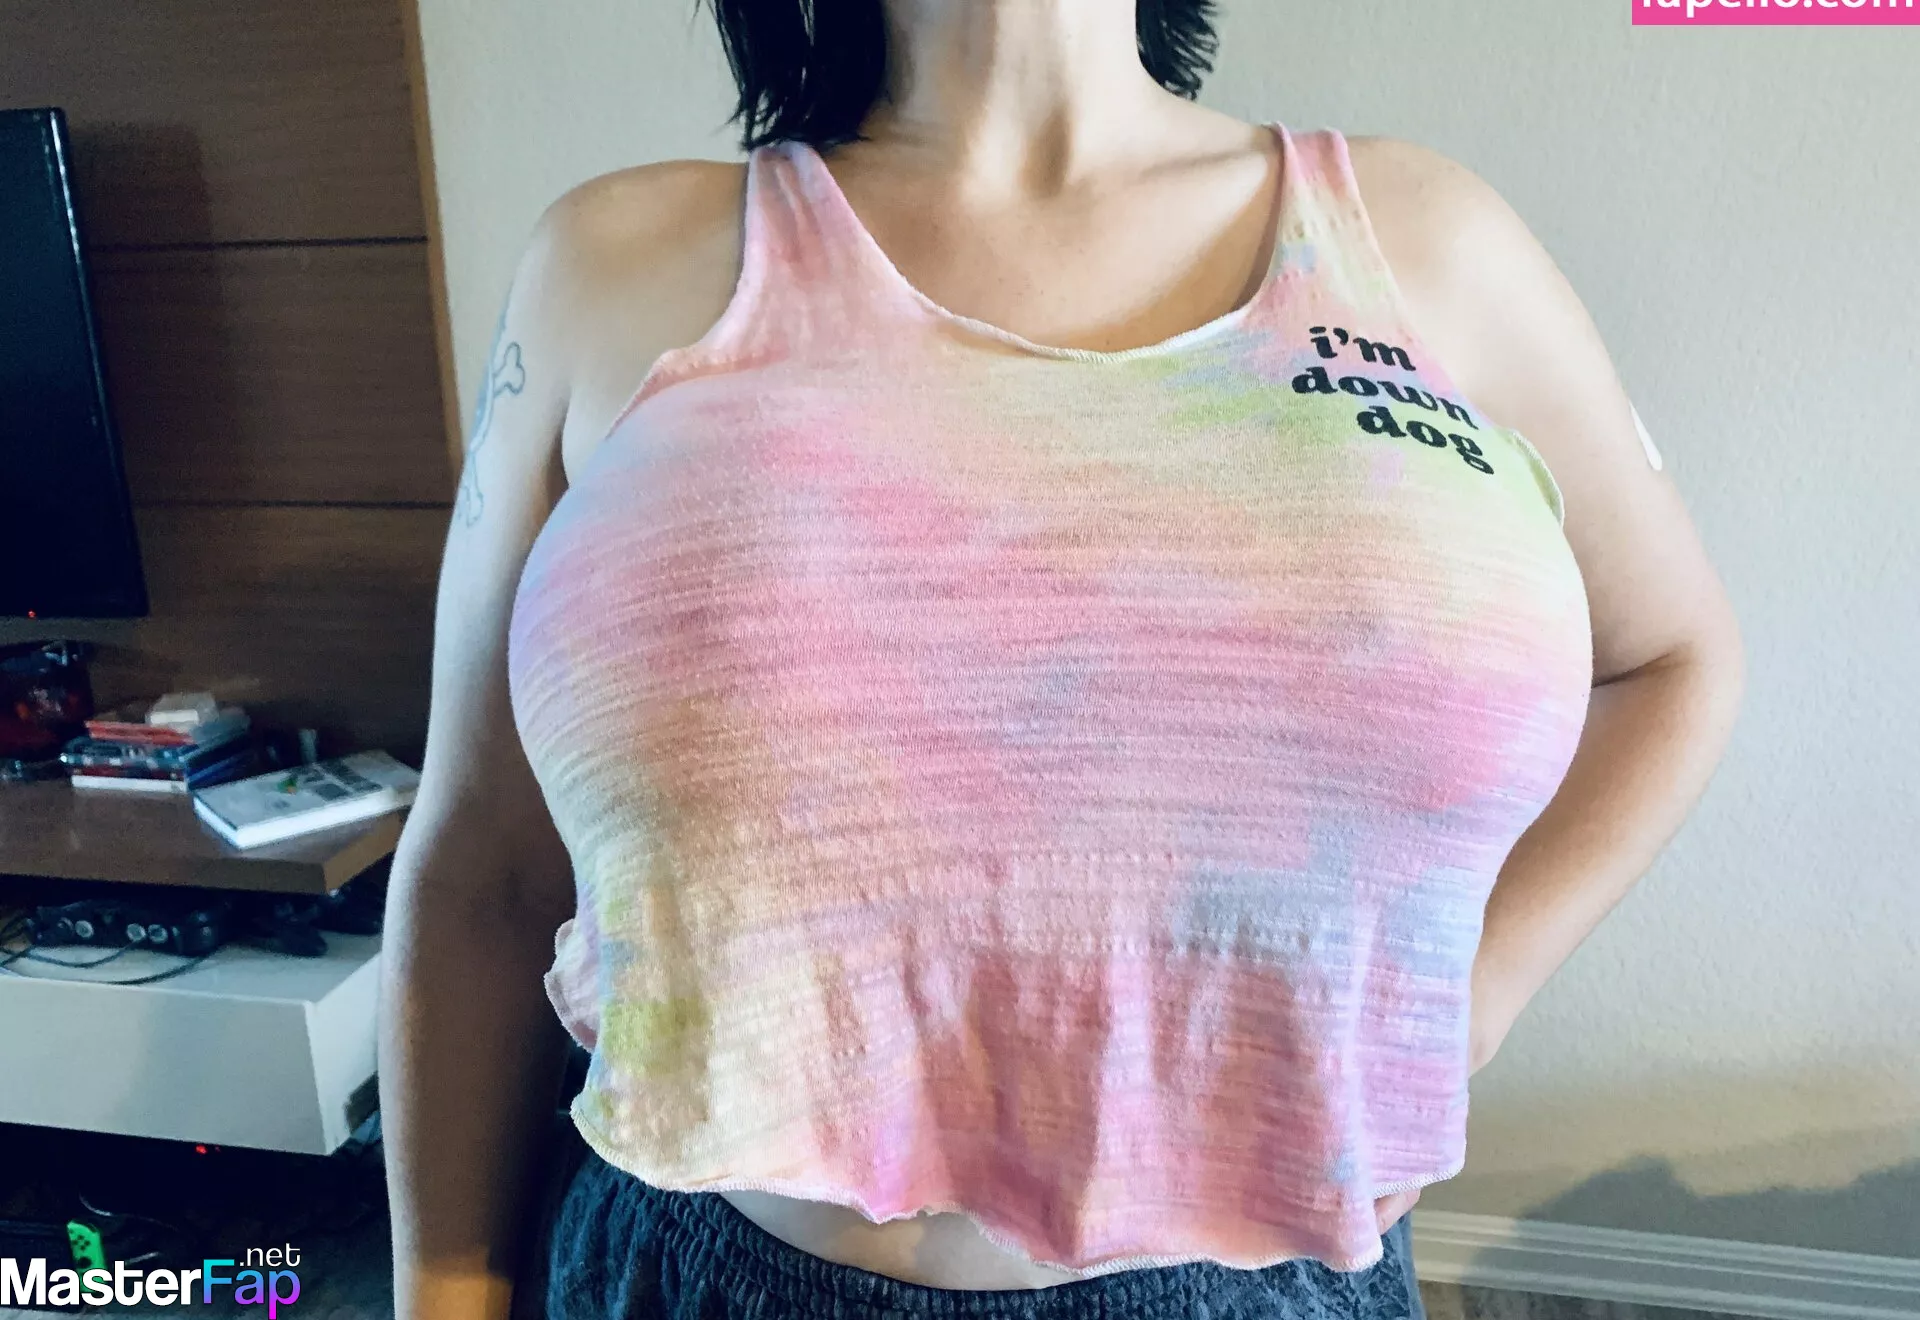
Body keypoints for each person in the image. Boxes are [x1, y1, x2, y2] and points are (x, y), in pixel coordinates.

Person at [379, 2, 1746, 1317]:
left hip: (1271, 1288)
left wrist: (1478, 994)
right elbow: (484, 872)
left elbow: (1674, 660)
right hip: (705, 1277)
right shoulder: (610, 267)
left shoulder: (1432, 245)